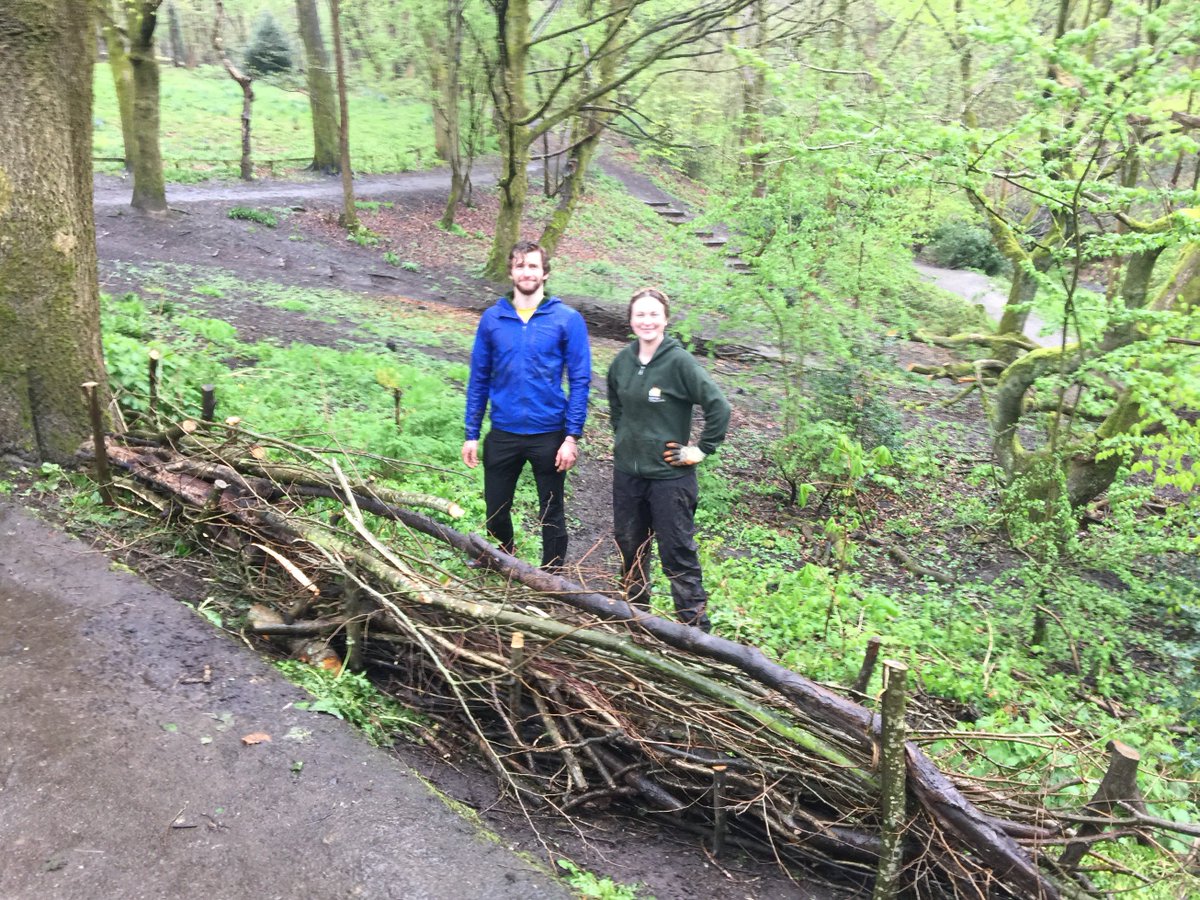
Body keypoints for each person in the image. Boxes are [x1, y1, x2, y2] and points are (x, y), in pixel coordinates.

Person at [607, 287, 730, 631]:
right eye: (640, 314)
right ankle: (634, 621)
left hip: (670, 479)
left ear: (665, 318)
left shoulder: (679, 363)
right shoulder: (622, 362)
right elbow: (616, 405)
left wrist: (701, 449)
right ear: (631, 320)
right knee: (630, 548)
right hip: (628, 475)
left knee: (677, 554)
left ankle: (694, 633)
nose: (647, 320)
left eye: (653, 314)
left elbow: (718, 406)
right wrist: (626, 439)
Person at [462, 241, 591, 569]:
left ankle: (552, 575)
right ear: (511, 271)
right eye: (520, 266)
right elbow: (479, 378)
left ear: (545, 273)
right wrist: (471, 433)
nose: (527, 272)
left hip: (549, 432)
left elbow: (580, 380)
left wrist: (571, 437)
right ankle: (503, 554)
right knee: (494, 510)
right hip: (503, 431)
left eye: (533, 266)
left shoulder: (567, 319)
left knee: (551, 511)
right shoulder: (493, 319)